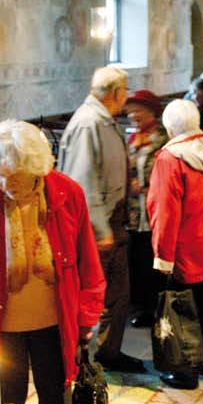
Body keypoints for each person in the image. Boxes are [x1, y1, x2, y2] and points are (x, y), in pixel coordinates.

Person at [0, 120, 105, 404]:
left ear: (36, 168)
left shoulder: (67, 193)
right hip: (0, 328)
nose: (6, 185)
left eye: (15, 176)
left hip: (54, 324)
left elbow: (88, 263)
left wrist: (86, 317)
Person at [147, 98, 203, 387]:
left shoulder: (170, 158)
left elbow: (164, 210)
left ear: (169, 129)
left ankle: (183, 370)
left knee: (182, 312)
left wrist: (163, 257)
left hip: (187, 250)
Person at [58, 66, 143, 373]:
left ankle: (109, 353)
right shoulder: (88, 123)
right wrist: (99, 228)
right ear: (117, 93)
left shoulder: (103, 120)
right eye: (125, 91)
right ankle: (81, 361)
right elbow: (81, 181)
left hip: (113, 221)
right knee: (94, 296)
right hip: (98, 228)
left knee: (118, 295)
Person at [125, 89, 168, 329]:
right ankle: (142, 308)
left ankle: (157, 309)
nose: (133, 114)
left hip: (153, 211)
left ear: (152, 111)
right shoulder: (134, 138)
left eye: (138, 109)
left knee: (152, 262)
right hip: (134, 213)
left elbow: (166, 171)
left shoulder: (162, 137)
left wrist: (144, 186)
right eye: (131, 110)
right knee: (138, 262)